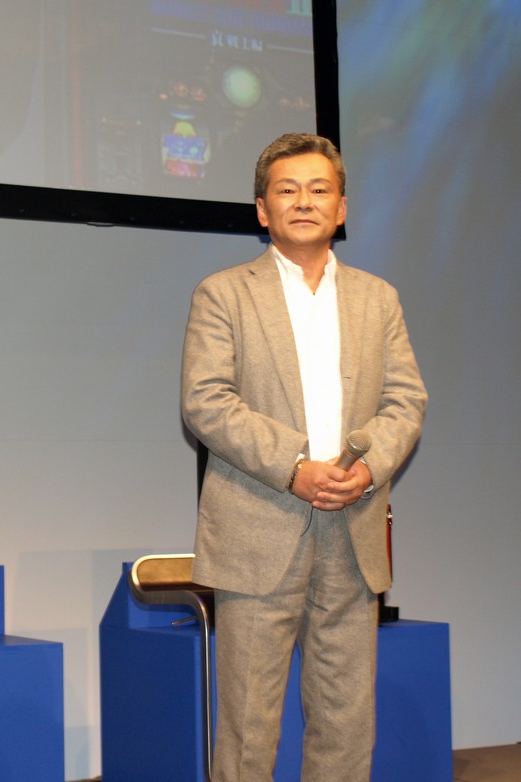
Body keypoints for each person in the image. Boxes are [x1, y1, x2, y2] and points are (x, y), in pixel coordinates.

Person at [181, 133, 427, 781]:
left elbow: (406, 400)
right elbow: (205, 401)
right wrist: (294, 467)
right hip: (257, 531)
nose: (303, 201)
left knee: (346, 725)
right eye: (286, 190)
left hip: (353, 530)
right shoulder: (223, 293)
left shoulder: (378, 298)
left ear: (341, 208)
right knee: (247, 729)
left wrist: (367, 469)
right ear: (262, 210)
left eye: (319, 189)